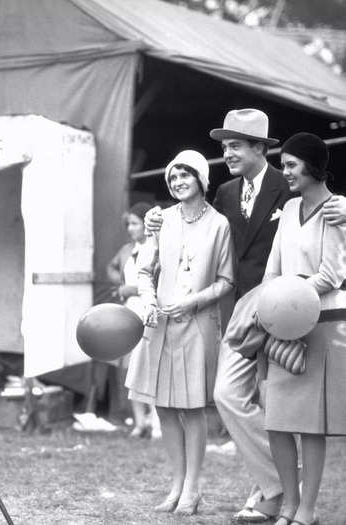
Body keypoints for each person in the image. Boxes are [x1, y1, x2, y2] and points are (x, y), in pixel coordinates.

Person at [144, 109, 346, 521]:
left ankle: (271, 498)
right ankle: (280, 483)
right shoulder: (225, 194)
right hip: (241, 314)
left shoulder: (290, 188)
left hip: (292, 315)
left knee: (275, 406)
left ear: (261, 148)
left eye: (235, 145)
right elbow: (197, 215)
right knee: (228, 397)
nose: (227, 153)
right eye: (223, 146)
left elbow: (329, 214)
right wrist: (155, 216)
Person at [126, 150, 234, 515]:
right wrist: (149, 301)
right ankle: (175, 484)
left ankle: (193, 487)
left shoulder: (219, 224)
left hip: (197, 324)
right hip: (160, 324)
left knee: (191, 409)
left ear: (202, 180)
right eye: (173, 177)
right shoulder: (160, 221)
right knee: (164, 408)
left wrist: (192, 303)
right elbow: (144, 270)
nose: (178, 182)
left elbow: (225, 281)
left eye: (185, 175)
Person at [261, 133, 346, 525]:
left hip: (320, 324)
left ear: (313, 165)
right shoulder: (289, 207)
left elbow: (331, 274)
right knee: (277, 419)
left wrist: (288, 296)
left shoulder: (336, 209)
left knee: (310, 424)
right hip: (281, 322)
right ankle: (290, 504)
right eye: (284, 164)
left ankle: (307, 511)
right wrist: (269, 305)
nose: (286, 171)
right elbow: (272, 269)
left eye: (292, 164)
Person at [107, 201, 161, 439]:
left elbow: (160, 280)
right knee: (131, 371)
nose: (130, 228)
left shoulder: (157, 247)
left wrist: (131, 288)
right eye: (128, 224)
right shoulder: (127, 250)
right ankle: (139, 423)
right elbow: (110, 267)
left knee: (151, 370)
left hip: (149, 311)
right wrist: (120, 285)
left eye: (135, 223)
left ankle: (158, 423)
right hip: (129, 312)